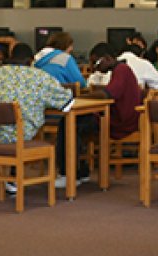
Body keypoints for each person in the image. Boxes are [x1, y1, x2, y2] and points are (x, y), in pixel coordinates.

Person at [0, 43, 74, 197]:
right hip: (23, 134)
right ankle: (13, 179)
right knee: (21, 128)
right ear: (31, 60)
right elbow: (67, 102)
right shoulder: (39, 76)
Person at [53, 43, 142, 188]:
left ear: (107, 58)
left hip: (118, 122)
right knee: (72, 122)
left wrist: (79, 98)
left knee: (69, 124)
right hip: (112, 117)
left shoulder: (122, 70)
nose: (94, 67)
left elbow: (107, 94)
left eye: (96, 62)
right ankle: (79, 171)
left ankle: (68, 173)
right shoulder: (120, 70)